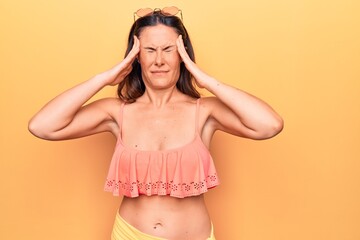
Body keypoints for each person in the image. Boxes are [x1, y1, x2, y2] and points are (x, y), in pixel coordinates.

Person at [28, 7, 283, 240]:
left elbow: (269, 125)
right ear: (136, 57)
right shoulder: (117, 112)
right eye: (149, 50)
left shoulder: (204, 111)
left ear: (183, 56)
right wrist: (105, 78)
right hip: (129, 234)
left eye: (169, 49)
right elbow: (42, 126)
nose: (159, 60)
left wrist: (205, 80)